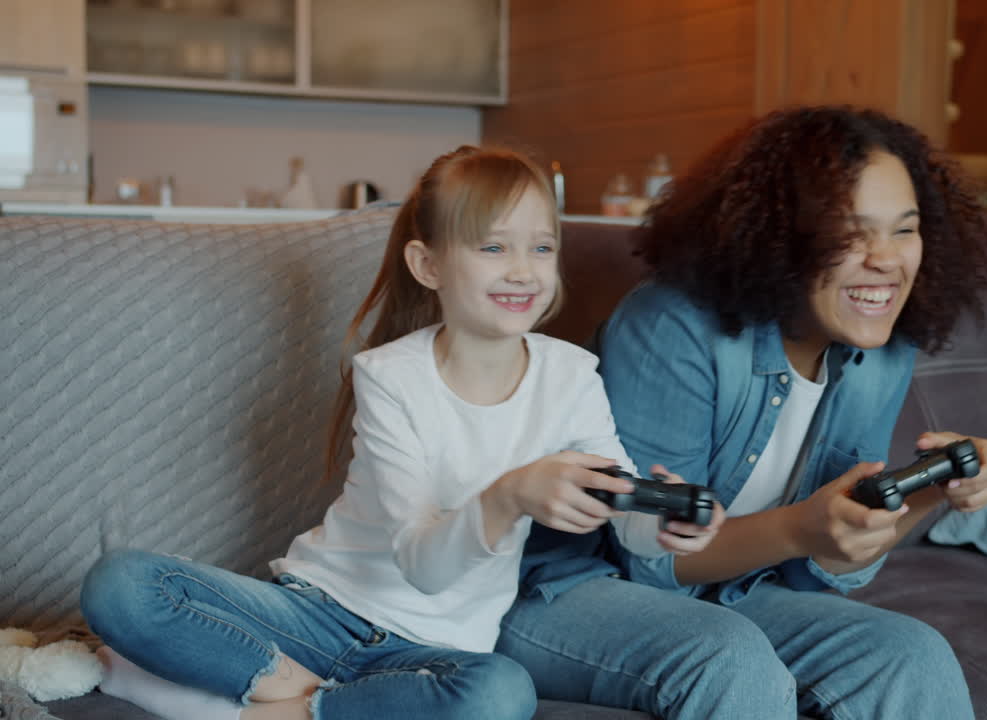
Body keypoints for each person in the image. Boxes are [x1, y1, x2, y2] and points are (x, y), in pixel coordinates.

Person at [78, 146, 721, 720]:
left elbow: (617, 505)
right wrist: (509, 496)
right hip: (318, 614)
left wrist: (658, 523)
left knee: (502, 694)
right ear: (428, 264)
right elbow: (422, 564)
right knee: (122, 584)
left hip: (438, 651)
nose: (524, 269)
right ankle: (302, 694)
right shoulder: (390, 376)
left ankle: (273, 710)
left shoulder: (571, 375)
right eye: (494, 247)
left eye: (542, 247)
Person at [497, 106, 987, 719]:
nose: (886, 260)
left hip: (737, 589)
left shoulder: (883, 348)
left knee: (911, 653)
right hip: (570, 586)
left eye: (904, 230)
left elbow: (825, 568)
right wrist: (800, 528)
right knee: (729, 656)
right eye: (849, 232)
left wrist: (936, 492)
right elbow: (652, 558)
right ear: (779, 236)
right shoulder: (673, 326)